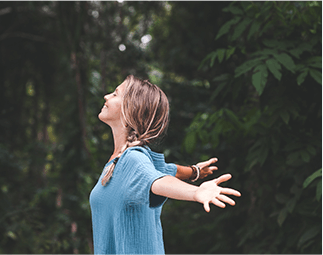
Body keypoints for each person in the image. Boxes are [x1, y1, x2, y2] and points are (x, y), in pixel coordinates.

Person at [89, 75, 241, 255]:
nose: (106, 96)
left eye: (115, 94)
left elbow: (159, 181)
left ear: (131, 109)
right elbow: (166, 170)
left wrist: (196, 192)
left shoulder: (132, 159)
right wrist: (195, 172)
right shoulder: (118, 163)